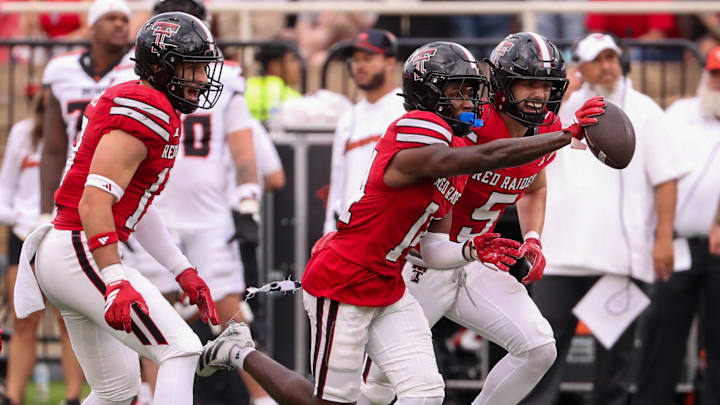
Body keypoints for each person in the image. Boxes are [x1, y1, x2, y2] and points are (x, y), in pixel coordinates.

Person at [198, 41, 599, 405]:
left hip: (401, 275)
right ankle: (240, 351)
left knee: (429, 390)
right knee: (352, 399)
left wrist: (477, 248)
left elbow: (444, 234)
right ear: (432, 96)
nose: (473, 102)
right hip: (356, 272)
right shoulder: (421, 130)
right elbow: (478, 158)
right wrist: (564, 136)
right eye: (460, 91)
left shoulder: (460, 144)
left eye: (471, 90)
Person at [360, 32, 607, 405]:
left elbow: (533, 184)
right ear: (503, 84)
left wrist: (533, 238)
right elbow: (494, 154)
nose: (539, 94)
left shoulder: (546, 129)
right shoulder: (469, 119)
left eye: (547, 85)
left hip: (475, 259)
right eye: (529, 83)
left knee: (539, 347)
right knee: (377, 386)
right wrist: (562, 136)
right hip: (420, 263)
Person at [14, 12, 223, 405]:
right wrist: (114, 278)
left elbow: (135, 206)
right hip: (79, 247)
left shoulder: (149, 102)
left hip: (70, 249)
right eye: (190, 68)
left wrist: (182, 269)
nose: (199, 79)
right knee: (181, 349)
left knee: (117, 391)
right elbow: (94, 200)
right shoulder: (147, 106)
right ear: (160, 67)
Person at [518, 32, 689, 405]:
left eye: (611, 57)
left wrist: (662, 238)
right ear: (579, 66)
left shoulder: (645, 110)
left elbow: (666, 179)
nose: (607, 66)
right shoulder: (559, 109)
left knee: (615, 361)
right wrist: (561, 93)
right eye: (597, 59)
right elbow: (524, 138)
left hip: (619, 259)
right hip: (561, 254)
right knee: (542, 350)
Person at [122, 1, 278, 404]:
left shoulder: (222, 77)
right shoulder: (133, 77)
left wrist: (247, 203)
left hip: (207, 213)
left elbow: (244, 149)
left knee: (231, 314)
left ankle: (260, 398)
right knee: (153, 315)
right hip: (153, 210)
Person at [634, 46, 720, 405]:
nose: (718, 82)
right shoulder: (682, 113)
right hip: (677, 243)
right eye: (715, 74)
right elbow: (657, 169)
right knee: (660, 337)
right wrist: (659, 234)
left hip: (716, 249)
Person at [0, 91, 85, 405]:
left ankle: (73, 397)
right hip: (25, 235)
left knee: (69, 319)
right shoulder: (23, 133)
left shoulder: (79, 136)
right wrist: (24, 218)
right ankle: (13, 396)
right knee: (24, 320)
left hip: (63, 234)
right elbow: (5, 189)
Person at [39, 0, 137, 221]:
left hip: (126, 183)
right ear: (92, 26)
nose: (119, 24)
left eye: (124, 19)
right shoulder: (62, 69)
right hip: (77, 180)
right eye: (111, 18)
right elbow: (53, 148)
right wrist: (45, 211)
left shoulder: (139, 68)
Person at [323, 28, 405, 234]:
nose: (359, 66)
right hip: (351, 233)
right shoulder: (348, 118)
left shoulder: (407, 109)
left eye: (368, 58)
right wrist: (329, 231)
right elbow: (337, 181)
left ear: (389, 62)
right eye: (356, 59)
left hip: (395, 229)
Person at [245, 39, 303, 122]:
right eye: (293, 60)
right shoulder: (291, 97)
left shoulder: (245, 87)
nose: (299, 66)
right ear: (275, 66)